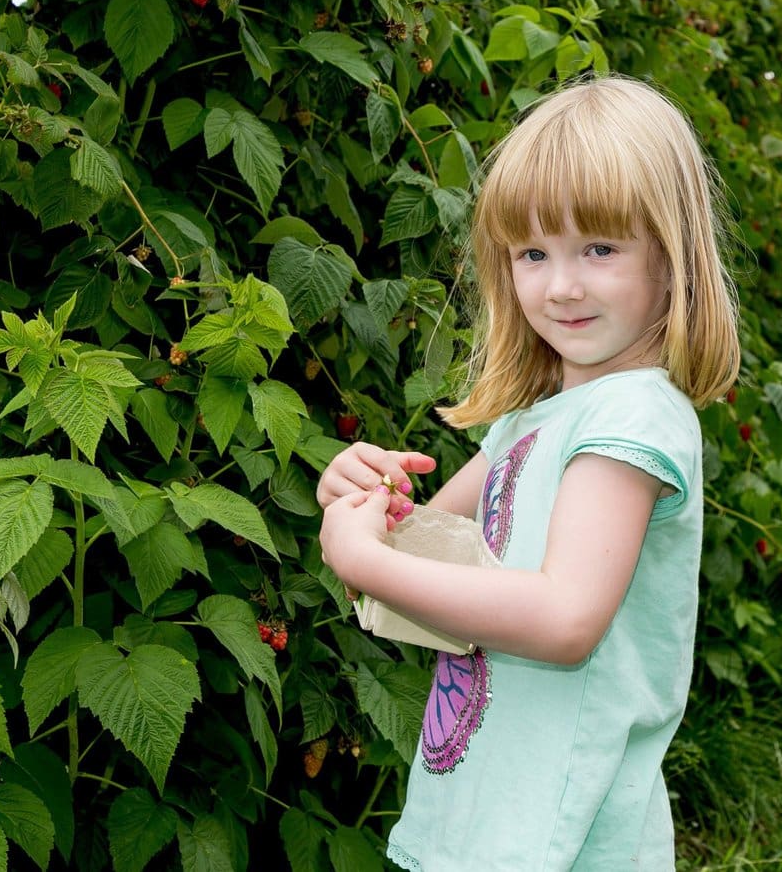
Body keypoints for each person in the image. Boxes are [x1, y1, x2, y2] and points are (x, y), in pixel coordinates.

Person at [316, 76, 742, 870]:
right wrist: (360, 499)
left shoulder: (632, 419)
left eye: (601, 248)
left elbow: (564, 618)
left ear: (672, 254)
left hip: (566, 838)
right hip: (484, 817)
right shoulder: (533, 420)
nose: (562, 285)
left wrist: (365, 555)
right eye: (534, 253)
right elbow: (411, 578)